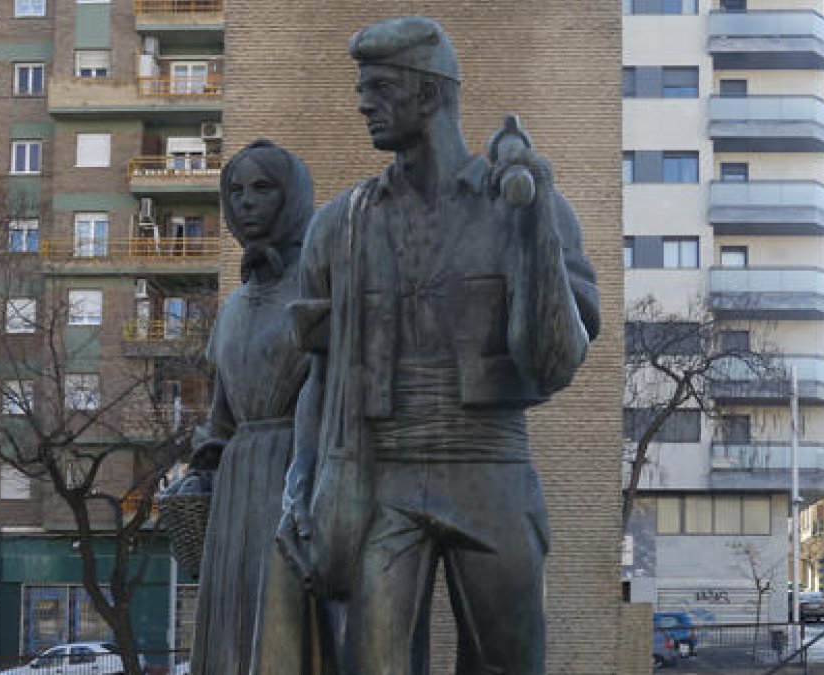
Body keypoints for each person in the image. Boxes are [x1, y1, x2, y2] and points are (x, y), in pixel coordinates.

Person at [277, 16, 601, 674]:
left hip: (492, 471)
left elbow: (556, 359)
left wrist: (532, 220)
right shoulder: (338, 227)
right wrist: (297, 485)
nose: (361, 101)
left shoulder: (525, 204)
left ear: (427, 95)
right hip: (383, 479)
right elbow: (319, 374)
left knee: (510, 665)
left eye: (377, 87)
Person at [180, 140, 323, 675]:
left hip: (298, 472)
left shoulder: (317, 286)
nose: (246, 202)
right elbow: (221, 420)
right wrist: (201, 470)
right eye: (235, 190)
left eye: (263, 188)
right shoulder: (234, 306)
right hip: (238, 482)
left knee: (286, 624)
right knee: (233, 623)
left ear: (292, 196)